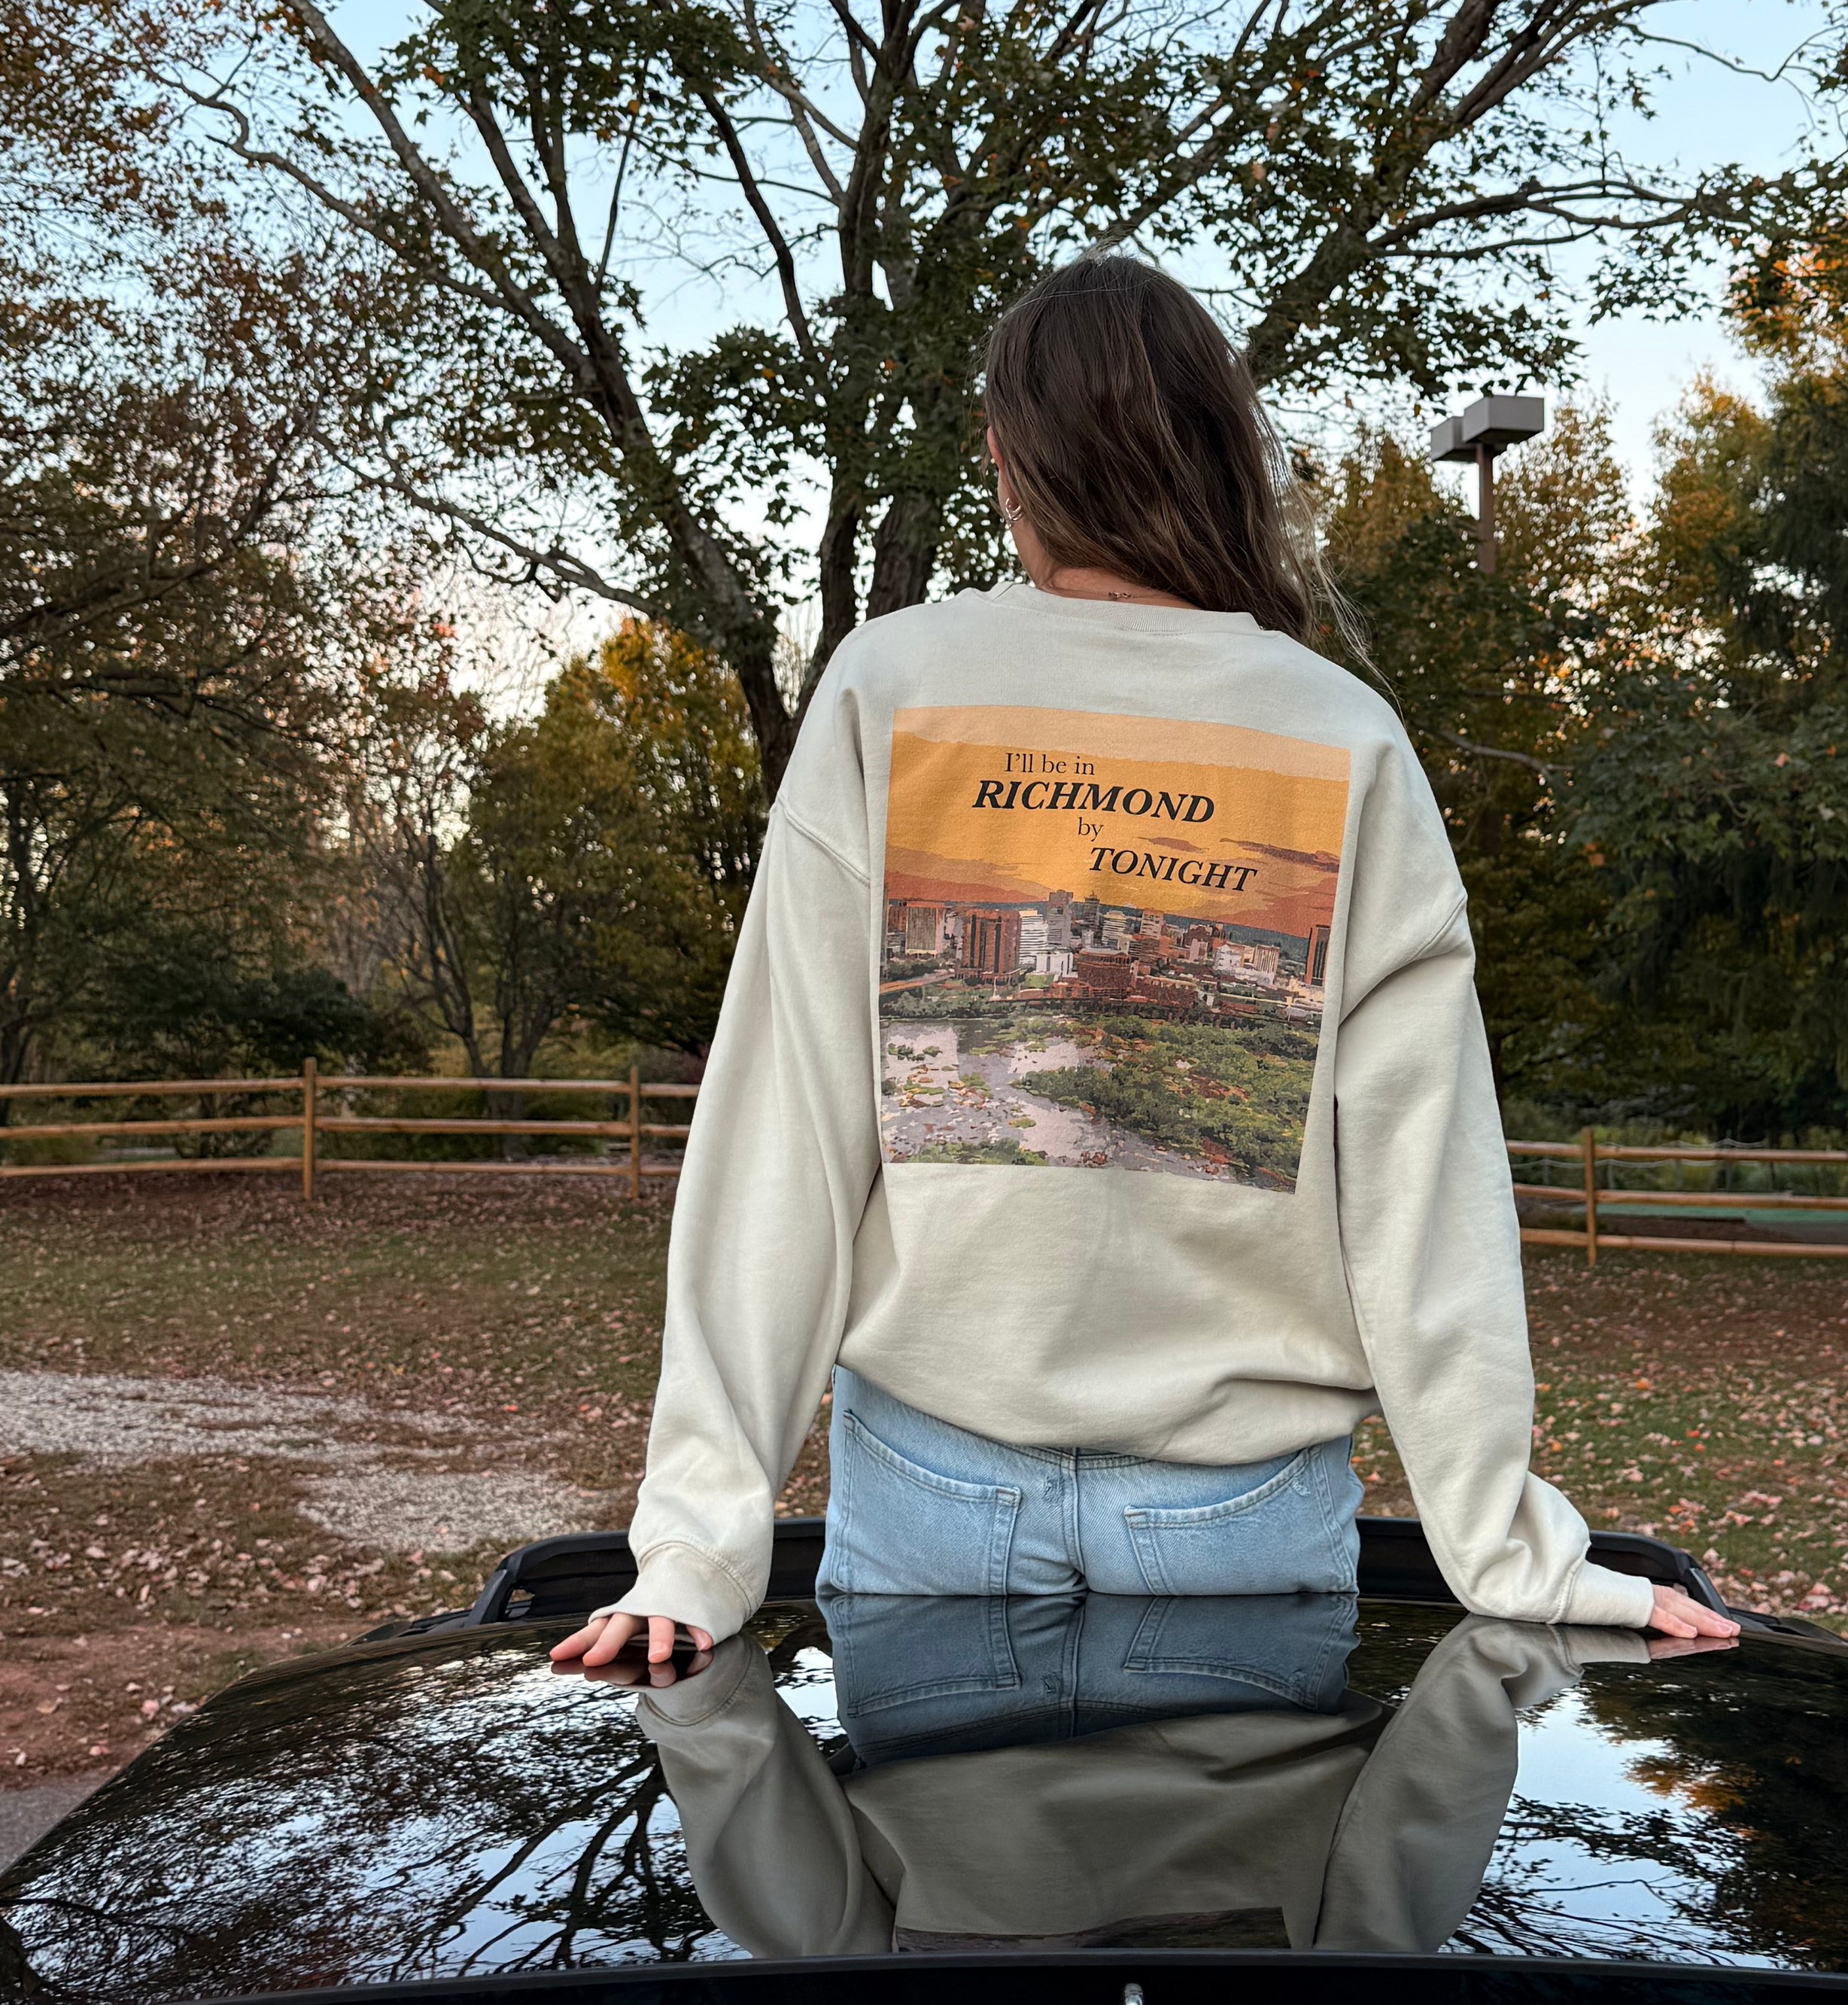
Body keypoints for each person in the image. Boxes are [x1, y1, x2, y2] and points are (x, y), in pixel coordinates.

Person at [550, 251, 1737, 1686]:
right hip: (1242, 1507)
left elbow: (782, 1135)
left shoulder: (892, 686)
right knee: (1221, 1918)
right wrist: (1508, 1548)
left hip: (932, 1489)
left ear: (1005, 457)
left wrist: (695, 1543)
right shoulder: (1344, 735)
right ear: (1221, 448)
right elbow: (1426, 1190)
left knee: (947, 1916)